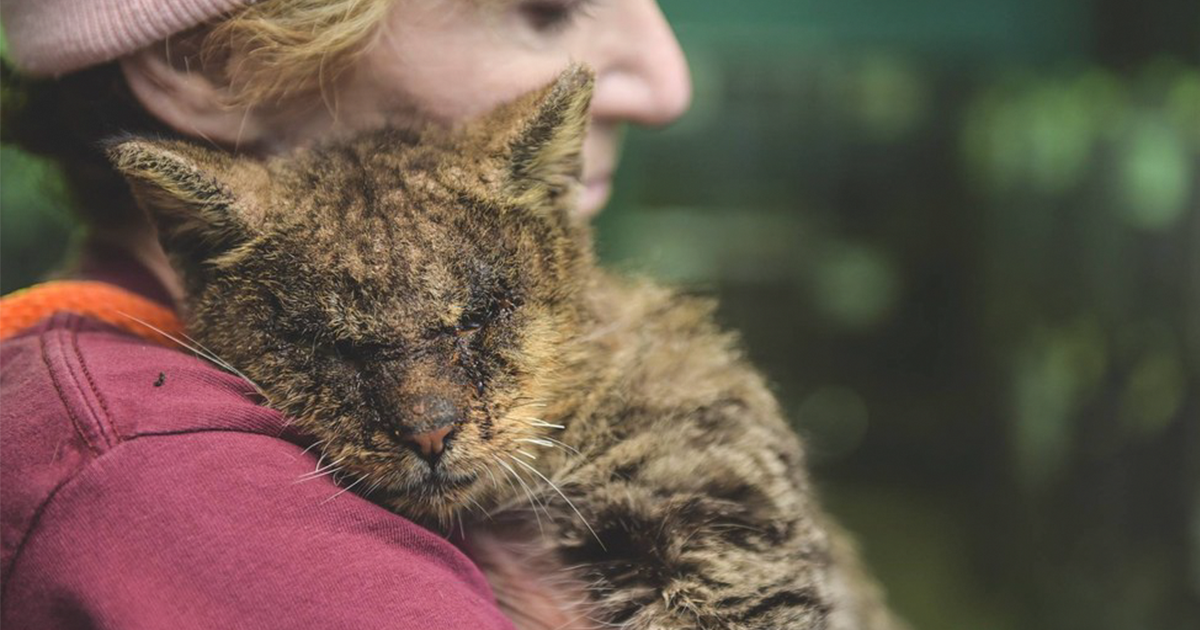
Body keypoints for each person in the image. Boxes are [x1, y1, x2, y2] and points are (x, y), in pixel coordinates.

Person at [0, 1, 691, 628]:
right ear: (206, 62)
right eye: (546, 12)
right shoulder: (178, 488)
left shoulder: (76, 372)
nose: (669, 86)